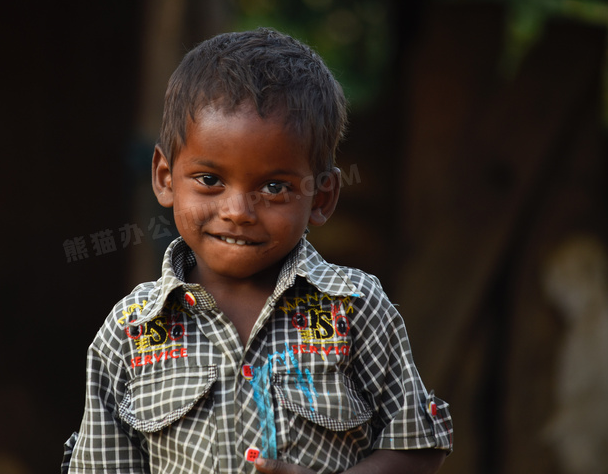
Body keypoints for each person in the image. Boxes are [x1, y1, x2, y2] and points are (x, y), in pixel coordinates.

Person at [61, 28, 453, 474]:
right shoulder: (131, 332)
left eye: (274, 187)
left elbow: (418, 445)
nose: (238, 211)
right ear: (165, 178)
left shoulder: (355, 310)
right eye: (210, 180)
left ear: (321, 198)